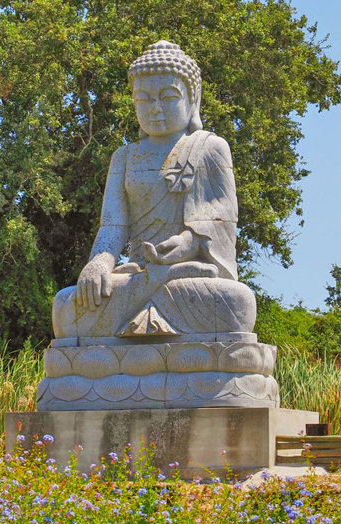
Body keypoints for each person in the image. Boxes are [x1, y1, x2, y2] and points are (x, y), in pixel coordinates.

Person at [53, 41, 255, 340]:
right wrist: (98, 264)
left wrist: (187, 243)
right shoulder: (124, 157)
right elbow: (113, 226)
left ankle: (160, 283)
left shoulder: (209, 148)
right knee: (65, 306)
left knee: (237, 303)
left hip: (189, 277)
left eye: (168, 97)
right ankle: (153, 286)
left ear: (192, 98)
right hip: (137, 273)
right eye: (143, 99)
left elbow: (221, 218)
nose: (155, 108)